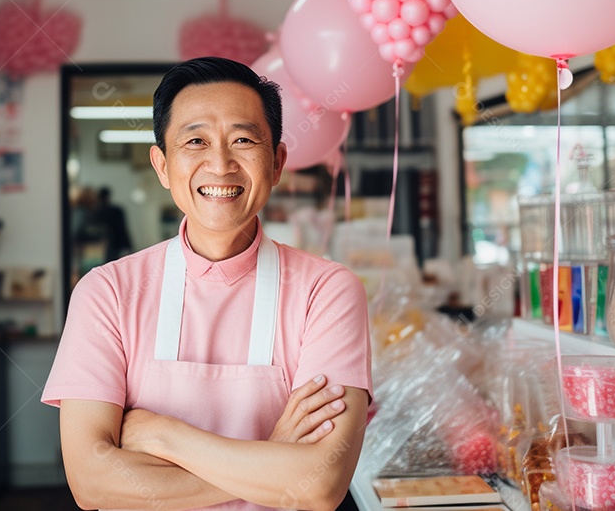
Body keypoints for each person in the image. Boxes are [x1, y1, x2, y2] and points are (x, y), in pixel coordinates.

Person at [42, 57, 372, 511]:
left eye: (243, 140)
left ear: (276, 163)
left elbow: (318, 486)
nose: (220, 164)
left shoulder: (327, 291)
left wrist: (163, 434)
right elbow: (92, 482)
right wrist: (274, 456)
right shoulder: (107, 292)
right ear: (161, 165)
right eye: (195, 141)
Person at [93, 186, 133, 262]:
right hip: (114, 243)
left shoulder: (98, 212)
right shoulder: (116, 210)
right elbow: (123, 229)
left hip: (108, 243)